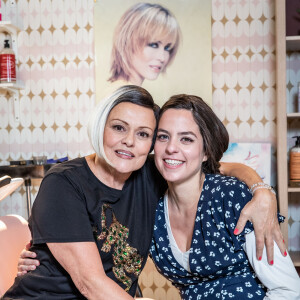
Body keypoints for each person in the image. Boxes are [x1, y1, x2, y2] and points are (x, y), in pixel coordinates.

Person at [8, 86, 285, 299]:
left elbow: (213, 164)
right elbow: (90, 283)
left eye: (143, 134)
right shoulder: (64, 183)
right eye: (119, 128)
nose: (128, 141)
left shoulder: (150, 174)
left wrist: (262, 192)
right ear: (101, 127)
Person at [150, 94, 300, 299]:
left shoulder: (231, 196)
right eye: (163, 136)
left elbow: (288, 290)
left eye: (186, 139)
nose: (171, 148)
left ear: (205, 152)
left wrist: (261, 189)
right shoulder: (152, 205)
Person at [99, 3, 181, 101]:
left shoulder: (121, 92)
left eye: (167, 48)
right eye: (154, 45)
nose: (162, 58)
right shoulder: (123, 97)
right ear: (128, 42)